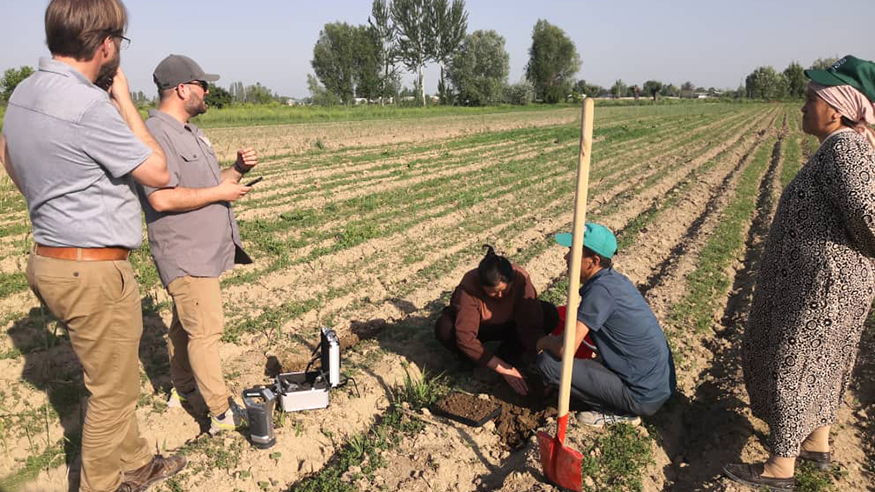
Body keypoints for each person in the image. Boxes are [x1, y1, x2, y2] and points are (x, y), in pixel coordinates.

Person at [0, 1, 186, 490]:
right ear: (105, 45)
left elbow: (6, 153)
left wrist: (50, 202)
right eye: (119, 44)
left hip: (50, 260)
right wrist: (123, 99)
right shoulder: (87, 106)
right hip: (93, 271)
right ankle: (101, 484)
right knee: (112, 392)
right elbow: (158, 171)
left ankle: (138, 462)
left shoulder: (24, 90)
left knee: (114, 373)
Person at [724, 55, 875, 492]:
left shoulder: (844, 149)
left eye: (811, 99)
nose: (803, 106)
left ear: (837, 109)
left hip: (824, 287)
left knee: (796, 363)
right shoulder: (844, 148)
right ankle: (816, 443)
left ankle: (779, 468)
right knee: (825, 364)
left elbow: (870, 219)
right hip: (832, 282)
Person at [137, 54, 257, 434]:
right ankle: (221, 413)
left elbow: (205, 186)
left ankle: (182, 390)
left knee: (183, 328)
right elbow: (161, 198)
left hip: (202, 251)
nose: (208, 91)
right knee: (205, 332)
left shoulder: (188, 131)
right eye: (203, 85)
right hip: (185, 253)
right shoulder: (154, 135)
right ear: (183, 89)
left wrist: (236, 171)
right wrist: (219, 191)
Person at [536, 223, 676, 427]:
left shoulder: (600, 293)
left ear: (594, 261)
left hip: (642, 395)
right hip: (658, 385)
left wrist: (543, 342)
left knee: (548, 364)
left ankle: (620, 412)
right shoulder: (615, 282)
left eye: (573, 252)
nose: (566, 258)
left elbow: (565, 349)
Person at [435, 245, 559, 395]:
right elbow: (465, 337)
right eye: (493, 294)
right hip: (482, 328)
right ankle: (473, 360)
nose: (500, 297)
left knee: (549, 313)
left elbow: (531, 323)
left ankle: (508, 354)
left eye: (504, 291)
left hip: (511, 326)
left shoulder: (520, 279)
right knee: (445, 328)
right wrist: (502, 369)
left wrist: (540, 359)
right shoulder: (469, 286)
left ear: (511, 281)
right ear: (482, 287)